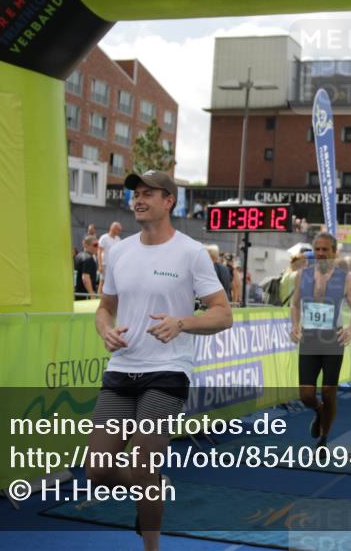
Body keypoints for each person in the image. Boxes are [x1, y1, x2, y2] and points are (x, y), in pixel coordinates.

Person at [86, 170, 232, 551]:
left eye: (149, 193)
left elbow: (223, 314)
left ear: (169, 201)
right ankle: (153, 486)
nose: (138, 199)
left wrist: (181, 322)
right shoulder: (119, 250)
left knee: (141, 462)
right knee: (98, 470)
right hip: (122, 368)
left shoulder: (190, 252)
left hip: (168, 369)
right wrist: (105, 330)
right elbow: (105, 309)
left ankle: (151, 545)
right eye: (136, 193)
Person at [290, 232, 351, 448]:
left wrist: (350, 329)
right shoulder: (302, 275)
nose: (320, 254)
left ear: (333, 252)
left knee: (329, 392)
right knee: (306, 395)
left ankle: (324, 437)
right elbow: (295, 304)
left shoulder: (345, 278)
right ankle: (320, 412)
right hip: (310, 338)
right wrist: (295, 325)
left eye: (325, 250)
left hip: (333, 339)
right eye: (317, 249)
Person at [97, 221, 122, 294]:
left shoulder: (118, 239)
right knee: (102, 281)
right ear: (113, 228)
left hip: (114, 266)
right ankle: (98, 299)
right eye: (118, 229)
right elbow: (99, 252)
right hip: (105, 264)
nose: (119, 231)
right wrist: (100, 265)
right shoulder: (104, 238)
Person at [74, 235, 99, 300]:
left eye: (98, 245)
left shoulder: (78, 256)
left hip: (77, 293)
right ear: (86, 245)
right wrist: (91, 294)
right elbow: (85, 278)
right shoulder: (88, 258)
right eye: (95, 245)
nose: (97, 247)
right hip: (85, 295)